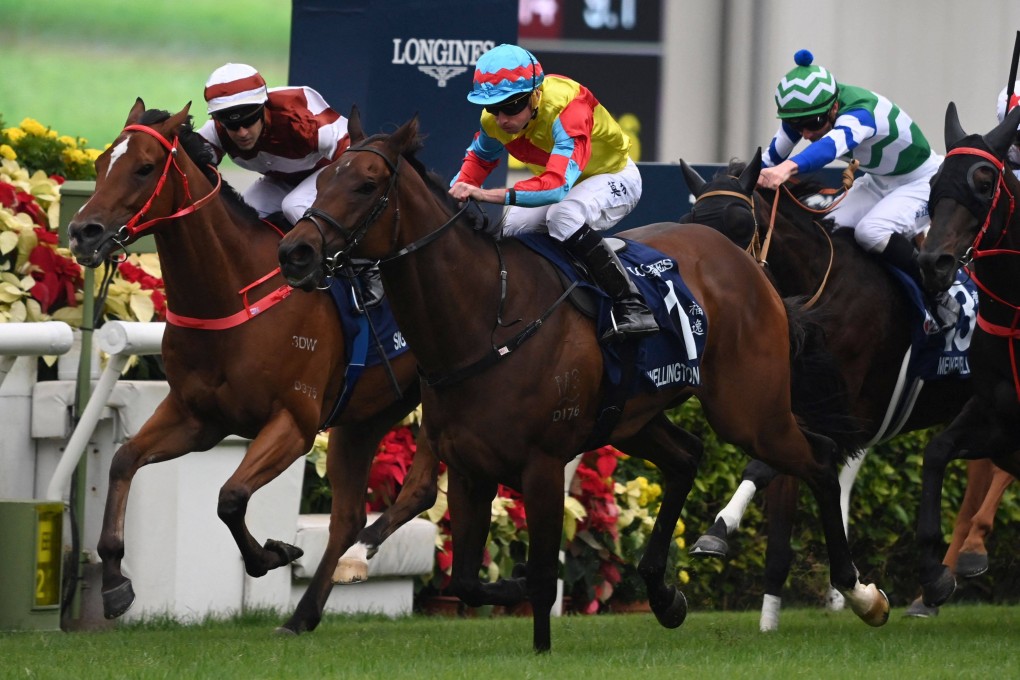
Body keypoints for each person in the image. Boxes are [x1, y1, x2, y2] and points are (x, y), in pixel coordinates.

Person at [448, 43, 657, 343]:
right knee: (513, 227)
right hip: (569, 184)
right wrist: (455, 191)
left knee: (563, 215)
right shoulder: (493, 123)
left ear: (535, 94)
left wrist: (488, 195)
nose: (502, 119)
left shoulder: (569, 108)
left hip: (614, 175)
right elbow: (479, 160)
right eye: (493, 108)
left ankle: (632, 306)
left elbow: (557, 187)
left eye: (511, 106)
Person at [758, 50, 956, 330]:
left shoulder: (861, 111)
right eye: (796, 125)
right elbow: (773, 155)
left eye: (813, 124)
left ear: (834, 106)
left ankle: (937, 293)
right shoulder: (809, 114)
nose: (806, 133)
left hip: (922, 181)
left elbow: (829, 147)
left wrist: (786, 170)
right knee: (826, 230)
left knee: (870, 232)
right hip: (879, 181)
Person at [197, 62, 380, 307]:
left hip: (329, 172)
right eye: (231, 125)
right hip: (280, 178)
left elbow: (358, 155)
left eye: (249, 120)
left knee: (294, 205)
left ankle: (367, 267)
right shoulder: (215, 133)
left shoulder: (298, 114)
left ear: (263, 107)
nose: (241, 133)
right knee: (240, 217)